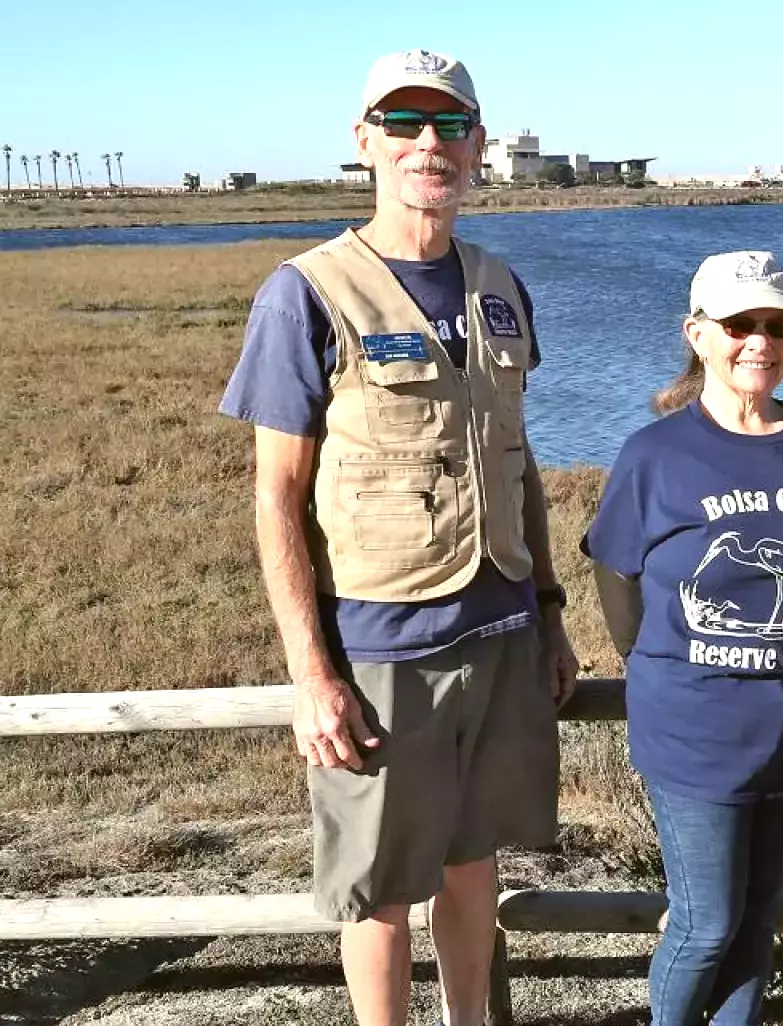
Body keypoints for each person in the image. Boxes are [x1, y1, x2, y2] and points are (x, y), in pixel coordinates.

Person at [218, 50, 577, 1026]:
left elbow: (516, 457)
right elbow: (276, 499)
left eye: (450, 126)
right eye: (406, 123)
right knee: (378, 892)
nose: (430, 144)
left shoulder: (499, 286)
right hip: (381, 655)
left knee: (471, 872)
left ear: (479, 147)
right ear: (364, 140)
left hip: (500, 639)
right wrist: (311, 672)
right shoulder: (306, 293)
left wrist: (547, 609)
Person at [583, 251, 783, 1025]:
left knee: (754, 925)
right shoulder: (656, 454)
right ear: (699, 335)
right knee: (706, 923)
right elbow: (616, 576)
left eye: (776, 325)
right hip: (693, 732)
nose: (759, 340)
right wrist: (664, 663)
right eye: (739, 323)